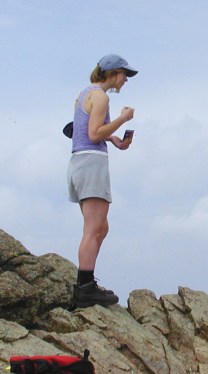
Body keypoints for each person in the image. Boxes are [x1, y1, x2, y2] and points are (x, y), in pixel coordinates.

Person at [67, 54, 138, 308]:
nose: (125, 80)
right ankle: (85, 288)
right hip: (91, 164)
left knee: (100, 227)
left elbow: (86, 131)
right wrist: (122, 119)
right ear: (113, 73)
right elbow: (94, 132)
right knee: (92, 229)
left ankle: (87, 283)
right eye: (124, 75)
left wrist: (115, 139)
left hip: (79, 163)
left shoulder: (85, 93)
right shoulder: (101, 97)